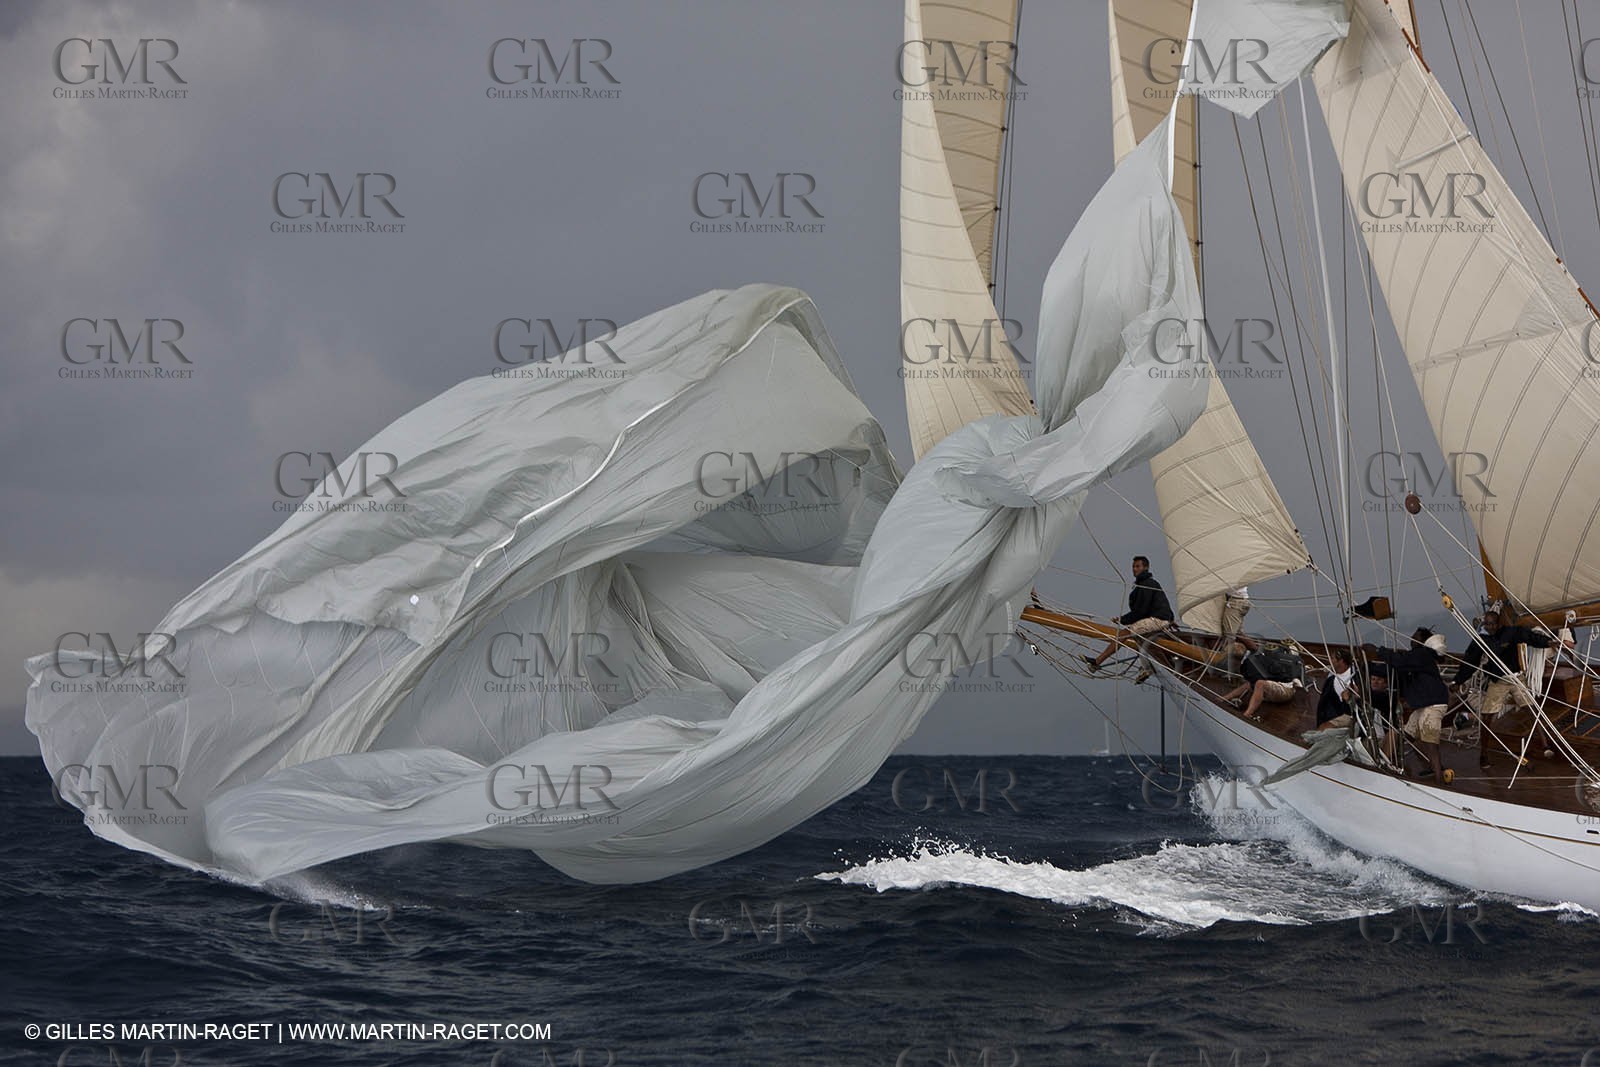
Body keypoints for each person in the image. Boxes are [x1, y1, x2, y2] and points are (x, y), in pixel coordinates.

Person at [1452, 609, 1574, 770]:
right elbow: (1470, 661)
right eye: (1487, 624)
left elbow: (1530, 637)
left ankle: (1546, 746)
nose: (1490, 627)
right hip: (1498, 682)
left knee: (1532, 711)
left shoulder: (1511, 632)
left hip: (1517, 678)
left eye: (1493, 624)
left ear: (1499, 623)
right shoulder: (1481, 640)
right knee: (1487, 717)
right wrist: (1458, 680)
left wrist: (1548, 642)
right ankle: (1484, 755)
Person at [1367, 629, 1451, 781]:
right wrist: (1366, 665)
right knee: (1407, 733)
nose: (1411, 639)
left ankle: (1439, 779)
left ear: (1423, 641)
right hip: (1424, 705)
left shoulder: (1422, 654)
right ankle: (1391, 762)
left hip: (1433, 704)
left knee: (1430, 741)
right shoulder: (1414, 658)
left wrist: (1377, 651)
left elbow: (1399, 661)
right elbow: (1392, 668)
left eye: (1415, 637)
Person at [1085, 556, 1175, 682]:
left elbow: (1141, 611)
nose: (1134, 569)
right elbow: (1152, 606)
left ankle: (1097, 661)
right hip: (1160, 618)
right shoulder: (1144, 585)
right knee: (1139, 636)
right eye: (1133, 566)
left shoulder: (1147, 584)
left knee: (1125, 633)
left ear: (1146, 568)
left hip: (1158, 619)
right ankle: (1147, 667)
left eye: (1138, 566)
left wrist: (1123, 620)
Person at [1204, 586, 1260, 675]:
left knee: (1229, 639)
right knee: (1238, 633)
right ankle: (1258, 652)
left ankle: (1229, 670)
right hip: (1241, 601)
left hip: (1235, 603)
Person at [1220, 675, 1304, 722]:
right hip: (1275, 684)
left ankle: (1247, 714)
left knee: (1260, 684)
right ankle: (1224, 698)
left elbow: (1300, 686)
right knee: (1251, 683)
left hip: (1285, 689)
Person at [1314, 648, 1356, 729]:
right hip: (1329, 717)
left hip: (1349, 717)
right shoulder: (1330, 680)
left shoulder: (1355, 679)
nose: (1330, 660)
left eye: (1332, 658)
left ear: (1341, 661)